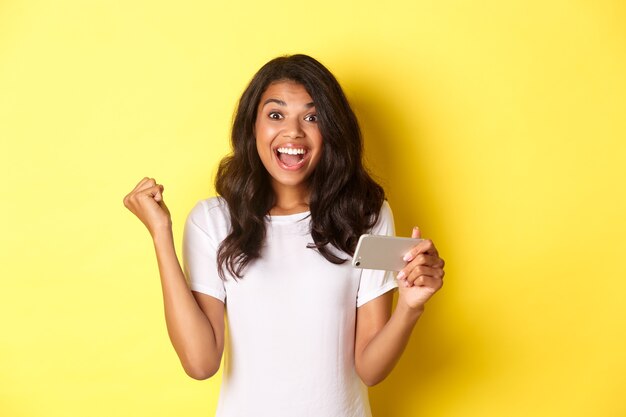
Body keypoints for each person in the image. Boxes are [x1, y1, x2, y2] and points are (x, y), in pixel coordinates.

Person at [123, 54, 445, 417]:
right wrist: (160, 235)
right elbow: (200, 363)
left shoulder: (365, 215)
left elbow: (370, 370)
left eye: (312, 117)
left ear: (332, 131)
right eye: (276, 115)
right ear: (253, 127)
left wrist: (410, 308)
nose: (293, 132)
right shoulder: (212, 221)